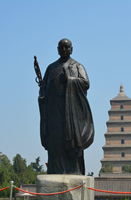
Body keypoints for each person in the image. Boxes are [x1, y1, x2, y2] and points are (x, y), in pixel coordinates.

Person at [38, 38, 94, 175]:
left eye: (66, 47)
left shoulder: (77, 66)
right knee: (55, 142)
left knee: (72, 142)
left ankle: (74, 171)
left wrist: (69, 80)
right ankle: (56, 170)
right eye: (61, 48)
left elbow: (85, 83)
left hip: (72, 114)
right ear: (57, 50)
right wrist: (42, 96)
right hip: (54, 113)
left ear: (71, 49)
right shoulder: (51, 68)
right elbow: (44, 89)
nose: (64, 50)